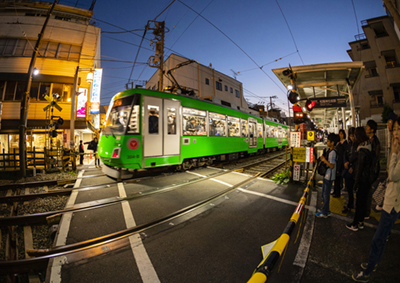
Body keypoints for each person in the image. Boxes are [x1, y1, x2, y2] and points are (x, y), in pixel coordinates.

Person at [352, 117, 400, 282]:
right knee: (382, 236)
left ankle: (368, 270)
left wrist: (393, 152)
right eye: (394, 130)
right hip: (393, 200)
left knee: (378, 238)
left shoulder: (396, 149)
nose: (395, 133)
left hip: (394, 203)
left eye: (398, 130)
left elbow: (393, 173)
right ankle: (374, 262)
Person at [346, 127, 372, 231]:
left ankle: (355, 224)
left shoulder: (362, 150)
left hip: (362, 180)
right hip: (367, 179)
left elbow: (359, 168)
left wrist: (355, 184)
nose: (354, 136)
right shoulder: (368, 145)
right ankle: (361, 223)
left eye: (356, 134)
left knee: (359, 203)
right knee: (363, 202)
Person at [316, 133, 338, 218]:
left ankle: (324, 212)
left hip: (329, 177)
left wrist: (324, 160)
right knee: (324, 194)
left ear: (332, 142)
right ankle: (326, 210)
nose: (327, 142)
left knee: (325, 195)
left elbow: (332, 165)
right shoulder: (330, 150)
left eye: (328, 141)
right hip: (327, 176)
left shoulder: (332, 152)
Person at [365, 120, 381, 219]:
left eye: (367, 127)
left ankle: (367, 212)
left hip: (370, 170)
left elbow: (376, 157)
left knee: (368, 192)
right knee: (365, 191)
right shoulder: (368, 140)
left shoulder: (376, 142)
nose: (366, 128)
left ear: (372, 129)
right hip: (366, 169)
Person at [342, 127, 356, 213]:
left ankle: (351, 205)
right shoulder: (348, 144)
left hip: (354, 170)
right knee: (349, 189)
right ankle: (350, 204)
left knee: (354, 190)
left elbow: (357, 158)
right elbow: (345, 154)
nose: (352, 137)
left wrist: (352, 166)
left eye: (353, 135)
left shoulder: (358, 145)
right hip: (348, 169)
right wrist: (345, 162)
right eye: (350, 135)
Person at [332, 129, 348, 198]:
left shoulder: (345, 143)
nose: (340, 135)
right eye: (339, 133)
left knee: (339, 179)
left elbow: (342, 155)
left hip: (341, 164)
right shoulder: (338, 143)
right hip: (337, 163)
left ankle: (337, 192)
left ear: (344, 134)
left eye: (341, 134)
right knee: (336, 179)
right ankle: (335, 191)